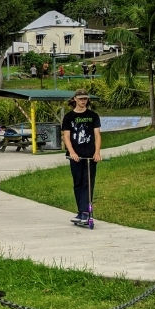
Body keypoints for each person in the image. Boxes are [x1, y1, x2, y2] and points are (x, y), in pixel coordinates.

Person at [62, 89, 102, 222]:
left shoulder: (93, 116)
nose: (83, 101)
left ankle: (85, 212)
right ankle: (80, 211)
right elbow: (66, 137)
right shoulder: (68, 117)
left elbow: (97, 135)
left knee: (88, 182)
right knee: (77, 182)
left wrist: (97, 152)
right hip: (75, 155)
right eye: (80, 99)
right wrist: (72, 152)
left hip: (90, 156)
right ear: (75, 99)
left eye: (85, 98)